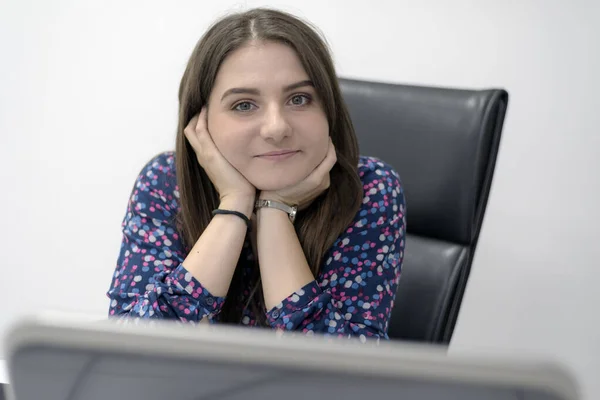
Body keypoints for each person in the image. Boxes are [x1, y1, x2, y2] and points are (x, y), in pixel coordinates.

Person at [107, 8, 406, 342]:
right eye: (244, 105)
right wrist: (235, 204)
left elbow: (345, 373)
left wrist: (274, 210)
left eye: (299, 98)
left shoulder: (368, 189)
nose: (276, 128)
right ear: (201, 122)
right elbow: (131, 348)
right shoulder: (165, 182)